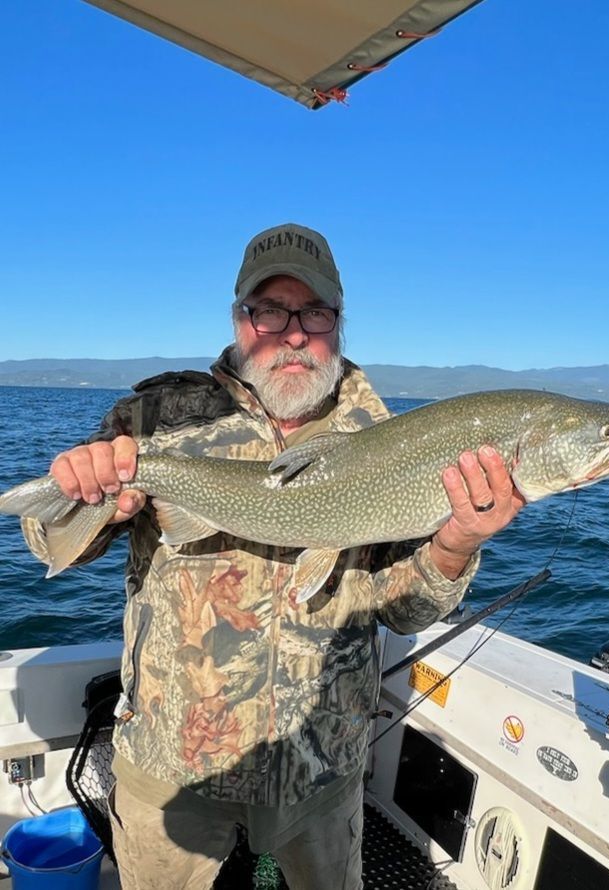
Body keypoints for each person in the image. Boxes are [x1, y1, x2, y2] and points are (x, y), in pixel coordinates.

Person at [22, 223, 524, 890]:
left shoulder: (392, 439)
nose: (292, 334)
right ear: (239, 318)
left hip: (321, 769)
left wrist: (458, 542)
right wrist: (91, 500)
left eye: (313, 313)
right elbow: (42, 538)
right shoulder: (154, 418)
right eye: (269, 310)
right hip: (171, 765)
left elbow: (403, 612)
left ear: (337, 323)